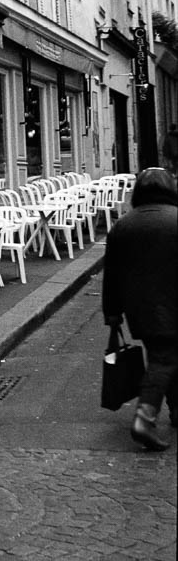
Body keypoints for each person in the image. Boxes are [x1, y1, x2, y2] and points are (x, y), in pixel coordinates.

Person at [102, 167, 178, 451]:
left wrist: (112, 312)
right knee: (165, 359)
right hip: (173, 304)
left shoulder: (123, 226)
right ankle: (144, 417)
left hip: (140, 310)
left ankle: (176, 410)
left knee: (165, 354)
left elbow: (112, 274)